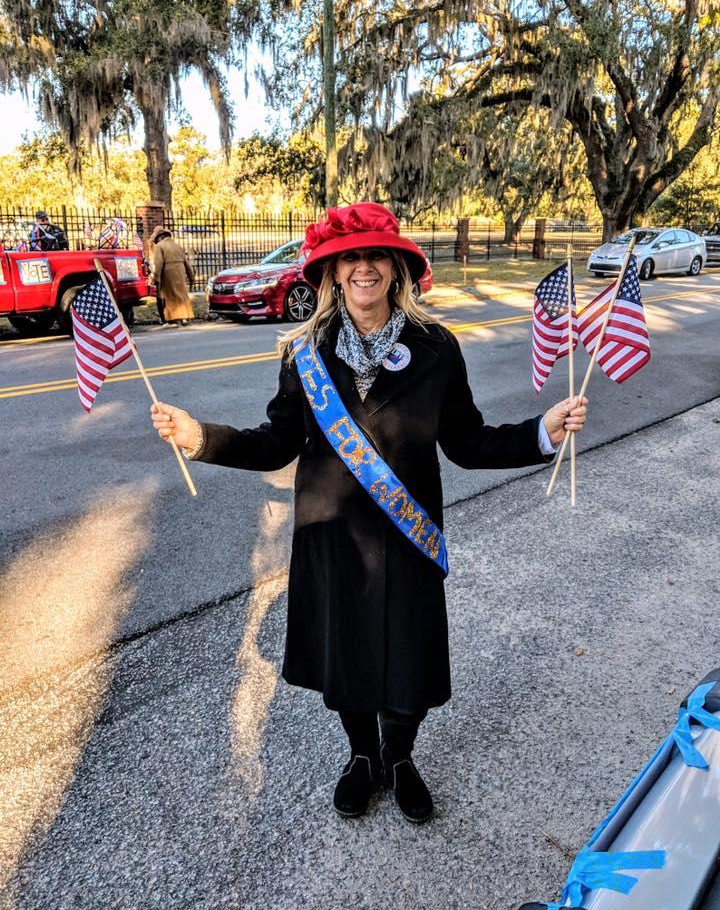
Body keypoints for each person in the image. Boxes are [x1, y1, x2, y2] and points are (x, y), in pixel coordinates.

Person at [150, 203, 587, 823]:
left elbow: (466, 442)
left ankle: (401, 759)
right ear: (331, 273)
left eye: (375, 255)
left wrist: (540, 432)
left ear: (396, 267)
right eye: (349, 257)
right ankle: (361, 758)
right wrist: (200, 436)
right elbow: (276, 441)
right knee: (347, 656)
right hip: (331, 535)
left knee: (408, 656)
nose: (363, 267)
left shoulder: (435, 347)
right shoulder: (304, 352)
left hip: (408, 535)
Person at [149, 226, 195, 327]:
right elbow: (186, 262)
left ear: (159, 237)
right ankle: (184, 317)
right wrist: (191, 276)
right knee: (181, 294)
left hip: (168, 272)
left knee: (169, 296)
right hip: (180, 271)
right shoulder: (177, 245)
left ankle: (172, 320)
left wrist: (156, 278)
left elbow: (158, 263)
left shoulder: (159, 246)